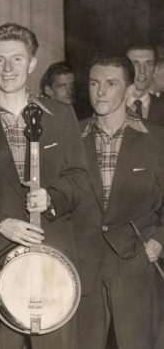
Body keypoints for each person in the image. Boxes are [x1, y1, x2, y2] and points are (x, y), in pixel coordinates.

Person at [0, 23, 88, 349]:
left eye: (17, 59)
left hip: (54, 266)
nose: (7, 69)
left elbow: (79, 178)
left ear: (33, 63)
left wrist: (52, 196)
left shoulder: (62, 115)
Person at [76, 55, 164, 349]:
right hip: (82, 265)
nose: (100, 92)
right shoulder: (71, 136)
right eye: (94, 83)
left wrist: (159, 241)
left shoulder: (156, 140)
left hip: (135, 263)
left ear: (128, 90)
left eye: (111, 84)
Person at [124, 44, 164, 125]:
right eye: (135, 63)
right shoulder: (109, 106)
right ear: (124, 69)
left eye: (148, 63)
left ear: (155, 71)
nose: (142, 70)